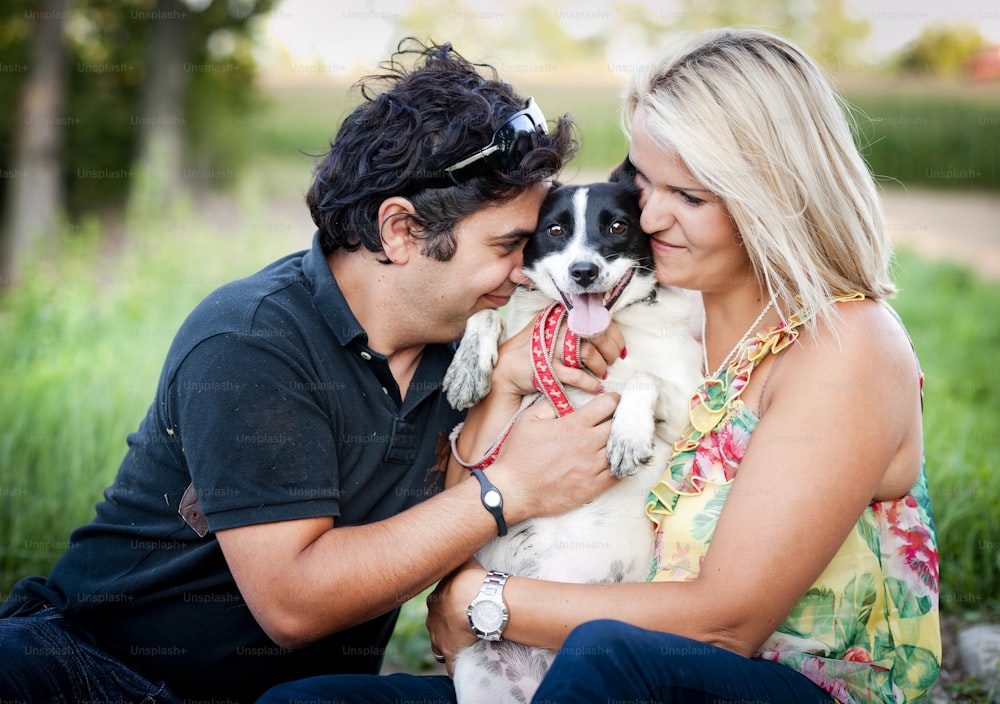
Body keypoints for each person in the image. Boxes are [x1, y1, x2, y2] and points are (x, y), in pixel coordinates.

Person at [259, 28, 941, 704]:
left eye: (691, 197)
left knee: (606, 654)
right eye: (643, 182)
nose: (649, 215)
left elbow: (724, 623)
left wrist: (482, 599)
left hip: (776, 685)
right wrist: (500, 378)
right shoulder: (650, 314)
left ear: (774, 194)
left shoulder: (845, 345)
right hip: (583, 671)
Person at [0, 39, 624, 704]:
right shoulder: (252, 339)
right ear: (401, 232)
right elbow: (293, 604)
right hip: (93, 670)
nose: (528, 271)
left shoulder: (476, 345)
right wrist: (507, 491)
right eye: (506, 247)